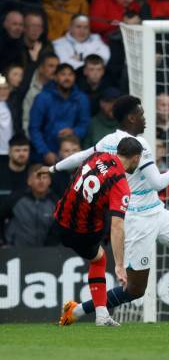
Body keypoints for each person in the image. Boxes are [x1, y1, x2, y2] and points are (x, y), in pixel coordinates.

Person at [44, 95, 169, 325]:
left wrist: (54, 168)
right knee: (135, 290)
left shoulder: (108, 140)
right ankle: (78, 310)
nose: (145, 119)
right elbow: (157, 183)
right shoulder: (139, 145)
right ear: (132, 117)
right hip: (136, 220)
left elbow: (83, 155)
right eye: (141, 114)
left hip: (156, 211)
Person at [54, 137, 142, 326]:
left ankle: (96, 313)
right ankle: (101, 316)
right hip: (82, 231)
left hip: (60, 218)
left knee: (97, 254)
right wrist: (120, 265)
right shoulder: (121, 184)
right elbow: (117, 226)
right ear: (135, 158)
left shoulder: (98, 156)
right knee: (100, 259)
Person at [28, 63, 90, 165]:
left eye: (70, 74)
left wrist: (74, 131)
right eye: (63, 74)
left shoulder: (81, 98)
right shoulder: (42, 98)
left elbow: (85, 124)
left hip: (72, 153)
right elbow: (34, 128)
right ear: (55, 77)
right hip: (45, 154)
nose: (67, 78)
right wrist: (45, 152)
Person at [0, 163, 57, 247]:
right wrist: (2, 241)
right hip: (14, 252)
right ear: (29, 181)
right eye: (37, 177)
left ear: (50, 181)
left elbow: (58, 230)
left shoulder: (56, 202)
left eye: (44, 177)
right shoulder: (15, 199)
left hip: (46, 254)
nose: (41, 181)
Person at [21, 52, 59, 131]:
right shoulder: (26, 84)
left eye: (57, 67)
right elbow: (25, 120)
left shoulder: (60, 87)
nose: (55, 70)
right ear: (41, 68)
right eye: (51, 66)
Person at [0, 133, 30, 208]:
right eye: (17, 150)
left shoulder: (32, 175)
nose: (22, 154)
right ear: (9, 152)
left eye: (25, 150)